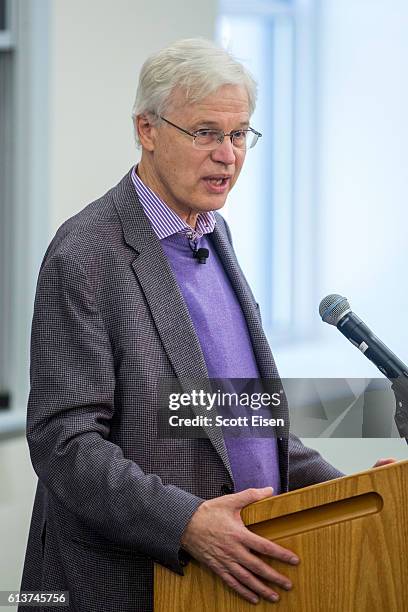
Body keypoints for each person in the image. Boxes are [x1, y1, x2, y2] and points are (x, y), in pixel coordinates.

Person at [19, 38, 395, 612]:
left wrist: (364, 495)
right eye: (206, 133)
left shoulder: (212, 235)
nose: (228, 155)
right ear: (147, 130)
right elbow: (63, 442)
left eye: (240, 134)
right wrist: (185, 523)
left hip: (226, 585)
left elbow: (241, 421)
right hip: (124, 586)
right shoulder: (87, 251)